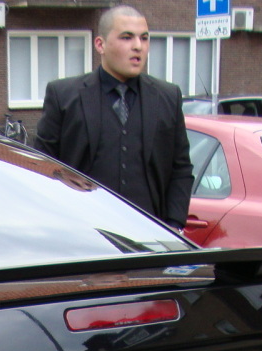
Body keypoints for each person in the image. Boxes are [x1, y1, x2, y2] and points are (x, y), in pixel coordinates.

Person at [34, 4, 193, 230]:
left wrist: (174, 225)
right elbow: (42, 166)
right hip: (83, 234)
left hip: (149, 235)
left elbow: (181, 168)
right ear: (100, 44)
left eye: (144, 38)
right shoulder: (64, 95)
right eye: (127, 38)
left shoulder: (168, 96)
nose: (138, 46)